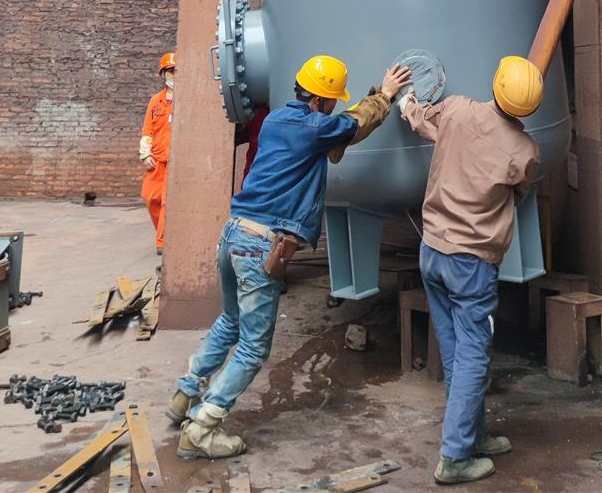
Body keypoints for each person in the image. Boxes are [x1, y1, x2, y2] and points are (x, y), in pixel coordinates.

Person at [167, 55, 413, 459]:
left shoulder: (278, 121)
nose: (332, 107)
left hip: (233, 234)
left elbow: (339, 129)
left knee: (230, 322)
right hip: (260, 246)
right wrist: (385, 95)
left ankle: (185, 395)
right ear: (319, 100)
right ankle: (203, 427)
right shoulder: (315, 127)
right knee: (253, 348)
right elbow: (350, 127)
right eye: (331, 101)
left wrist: (370, 99)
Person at [398, 55, 542, 485]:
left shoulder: (457, 109)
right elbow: (518, 193)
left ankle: (472, 435)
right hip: (471, 262)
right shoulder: (525, 153)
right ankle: (455, 456)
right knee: (473, 353)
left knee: (456, 350)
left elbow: (422, 120)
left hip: (432, 250)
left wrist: (405, 103)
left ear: (496, 84)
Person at [139, 52, 175, 253]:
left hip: (174, 161)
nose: (174, 75)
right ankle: (163, 233)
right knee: (150, 197)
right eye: (170, 71)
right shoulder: (156, 101)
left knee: (167, 201)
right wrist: (146, 155)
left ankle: (162, 241)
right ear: (163, 74)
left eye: (177, 71)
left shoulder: (184, 101)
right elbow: (147, 130)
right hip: (157, 158)